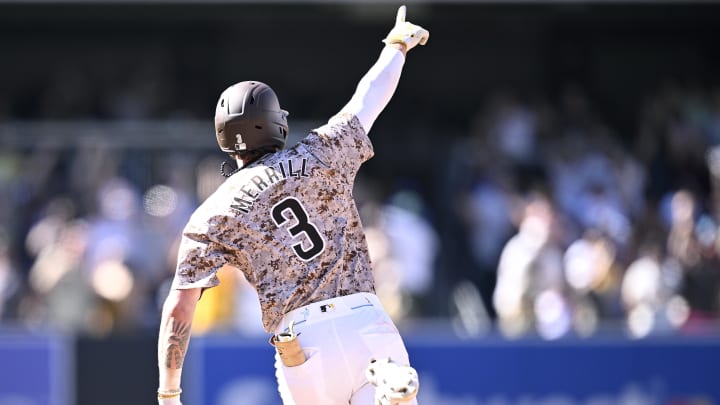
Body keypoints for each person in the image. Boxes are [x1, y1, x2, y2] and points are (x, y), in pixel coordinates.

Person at [156, 5, 429, 405]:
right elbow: (368, 98)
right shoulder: (321, 152)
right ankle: (387, 393)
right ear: (276, 122)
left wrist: (168, 392)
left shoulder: (212, 214)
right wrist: (397, 45)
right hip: (366, 320)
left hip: (302, 341)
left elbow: (179, 307)